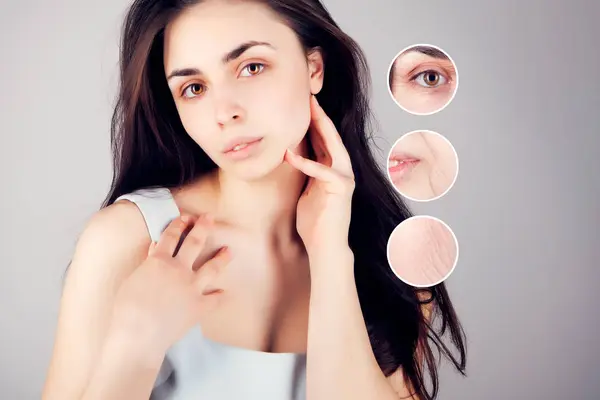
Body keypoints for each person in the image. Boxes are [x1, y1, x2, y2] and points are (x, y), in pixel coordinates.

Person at [42, 1, 467, 399]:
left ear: (314, 68)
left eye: (252, 66)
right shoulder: (128, 240)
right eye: (193, 88)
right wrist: (135, 340)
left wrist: (330, 254)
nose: (224, 111)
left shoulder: (391, 255)